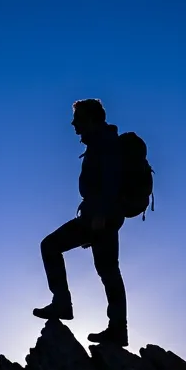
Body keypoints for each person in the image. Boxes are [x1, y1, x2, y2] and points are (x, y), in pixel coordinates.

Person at [32, 98, 128, 346]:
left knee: (51, 246)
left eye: (78, 119)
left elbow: (111, 181)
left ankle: (64, 304)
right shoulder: (101, 142)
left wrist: (100, 217)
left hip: (101, 217)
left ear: (91, 119)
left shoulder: (105, 143)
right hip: (100, 216)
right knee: (108, 271)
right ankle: (117, 328)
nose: (73, 124)